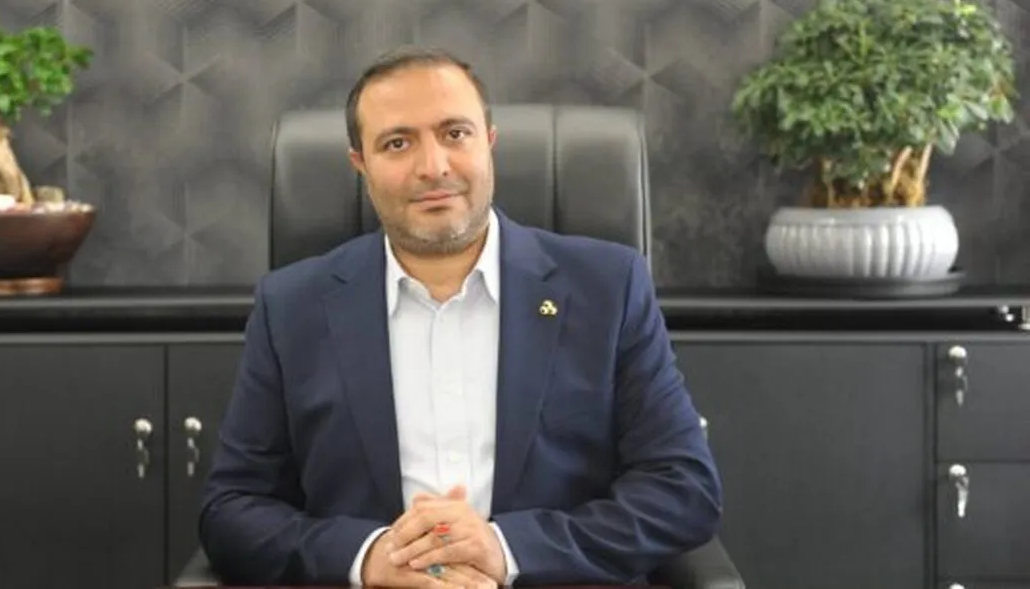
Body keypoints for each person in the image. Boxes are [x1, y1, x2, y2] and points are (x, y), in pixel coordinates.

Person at [198, 46, 723, 587]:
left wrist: (506, 549)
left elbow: (682, 489)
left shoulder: (608, 288)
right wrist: (369, 558)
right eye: (397, 143)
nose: (434, 167)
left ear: (488, 142)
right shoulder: (292, 307)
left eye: (455, 134)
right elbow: (232, 509)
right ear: (361, 165)